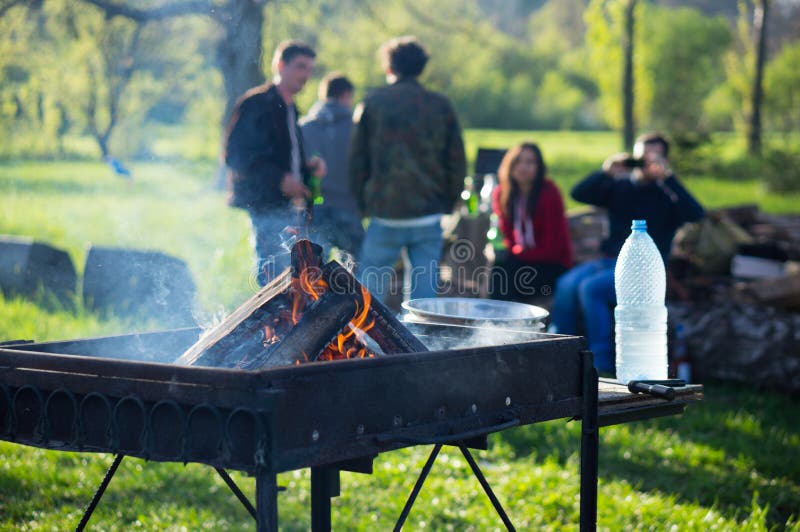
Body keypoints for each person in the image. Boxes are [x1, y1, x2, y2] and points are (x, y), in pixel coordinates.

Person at [548, 132, 704, 373]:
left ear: (665, 162)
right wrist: (606, 171)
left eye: (655, 158)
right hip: (608, 261)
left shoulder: (668, 194)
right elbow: (578, 193)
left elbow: (696, 214)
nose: (647, 164)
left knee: (591, 289)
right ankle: (560, 354)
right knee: (567, 283)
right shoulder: (621, 186)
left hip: (644, 271)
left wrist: (669, 178)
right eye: (642, 158)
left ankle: (600, 363)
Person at [349, 36, 466, 303]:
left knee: (370, 298)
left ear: (390, 67)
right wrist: (449, 202)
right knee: (423, 298)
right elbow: (456, 160)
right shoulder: (440, 105)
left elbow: (357, 159)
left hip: (385, 212)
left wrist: (361, 202)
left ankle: (365, 343)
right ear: (421, 68)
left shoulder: (373, 102)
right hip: (428, 212)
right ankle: (420, 341)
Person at [224, 40, 326, 287]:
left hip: (289, 205)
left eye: (309, 70)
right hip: (265, 202)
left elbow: (282, 156)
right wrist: (279, 180)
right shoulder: (257, 104)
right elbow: (237, 155)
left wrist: (306, 168)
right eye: (300, 67)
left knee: (296, 270)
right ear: (281, 66)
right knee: (273, 269)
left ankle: (291, 322)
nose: (306, 75)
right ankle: (270, 322)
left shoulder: (291, 107)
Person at [490, 142, 573, 302]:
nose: (523, 167)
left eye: (530, 162)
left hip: (552, 264)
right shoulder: (502, 194)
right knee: (499, 271)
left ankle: (512, 323)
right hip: (523, 260)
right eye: (518, 161)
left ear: (539, 167)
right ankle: (496, 323)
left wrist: (519, 254)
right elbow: (508, 236)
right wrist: (516, 253)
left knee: (510, 276)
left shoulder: (549, 192)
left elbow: (553, 246)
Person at [300, 73, 364, 259]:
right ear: (346, 95)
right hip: (348, 207)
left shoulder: (303, 127)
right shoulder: (356, 129)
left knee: (313, 273)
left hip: (314, 210)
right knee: (358, 271)